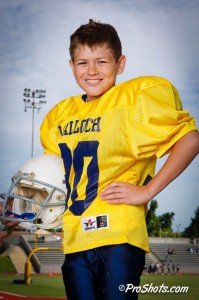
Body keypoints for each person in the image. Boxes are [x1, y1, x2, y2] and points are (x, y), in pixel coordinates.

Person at [2, 19, 199, 300]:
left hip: (118, 236)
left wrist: (147, 191)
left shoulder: (132, 102)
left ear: (120, 64)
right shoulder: (60, 116)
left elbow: (191, 139)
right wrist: (23, 208)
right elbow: (56, 175)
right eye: (82, 63)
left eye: (101, 61)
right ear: (71, 65)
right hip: (75, 239)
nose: (91, 71)